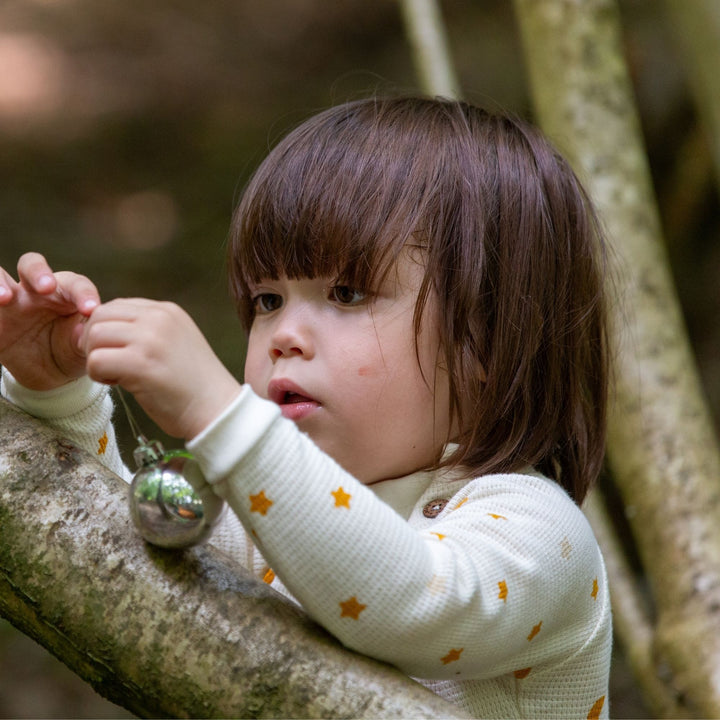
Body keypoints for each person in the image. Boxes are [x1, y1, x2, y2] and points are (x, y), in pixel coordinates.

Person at [0, 96, 612, 718]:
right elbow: (100, 532)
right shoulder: (255, 515)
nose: (282, 335)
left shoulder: (538, 529)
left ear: (488, 341)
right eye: (266, 300)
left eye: (346, 293)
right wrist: (55, 391)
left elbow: (413, 603)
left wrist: (223, 416)